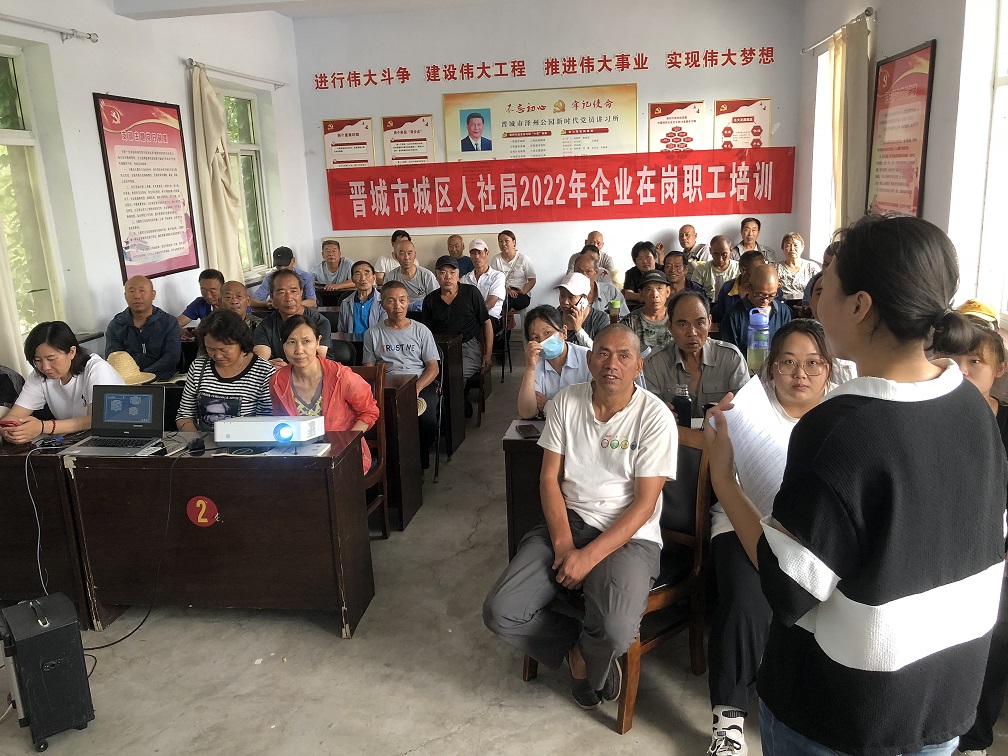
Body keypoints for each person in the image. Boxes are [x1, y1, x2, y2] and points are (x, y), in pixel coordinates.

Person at [703, 214, 1007, 756]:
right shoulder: (971, 406)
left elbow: (786, 587)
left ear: (861, 305)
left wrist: (725, 478)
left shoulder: (841, 430)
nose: (817, 298)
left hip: (844, 711)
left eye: (829, 285)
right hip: (943, 698)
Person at [483, 324, 676, 710]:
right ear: (589, 359)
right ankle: (575, 645)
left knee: (616, 630)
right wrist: (564, 546)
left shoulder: (654, 417)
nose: (612, 363)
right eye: (603, 353)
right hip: (569, 523)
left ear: (639, 366)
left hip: (629, 536)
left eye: (624, 356)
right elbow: (548, 479)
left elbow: (644, 506)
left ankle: (585, 656)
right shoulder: (566, 403)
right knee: (501, 611)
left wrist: (587, 557)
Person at [705, 319, 836, 756]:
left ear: (828, 368)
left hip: (814, 537)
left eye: (813, 363)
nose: (801, 374)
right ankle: (728, 721)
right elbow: (727, 477)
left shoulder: (842, 414)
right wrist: (717, 427)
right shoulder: (746, 414)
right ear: (771, 367)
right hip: (742, 522)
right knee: (747, 599)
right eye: (788, 362)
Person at [931, 307, 1008, 756]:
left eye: (975, 361)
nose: (960, 370)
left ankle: (974, 739)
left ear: (1000, 368)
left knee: (997, 631)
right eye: (952, 357)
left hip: (997, 555)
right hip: (941, 549)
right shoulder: (928, 415)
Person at [270, 314, 378, 473]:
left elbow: (369, 412)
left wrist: (347, 442)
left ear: (318, 342)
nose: (299, 350)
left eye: (306, 341)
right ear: (283, 344)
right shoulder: (277, 381)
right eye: (291, 342)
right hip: (300, 459)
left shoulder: (341, 376)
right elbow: (281, 421)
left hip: (343, 456)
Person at [1, 321, 123, 444]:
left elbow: (98, 420)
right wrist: (11, 430)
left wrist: (43, 427)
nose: (45, 367)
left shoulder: (97, 369)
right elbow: (15, 415)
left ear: (72, 352)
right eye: (37, 360)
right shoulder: (39, 375)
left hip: (111, 440)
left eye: (51, 359)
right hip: (73, 442)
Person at [363, 281, 440, 470]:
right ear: (382, 304)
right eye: (391, 301)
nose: (397, 306)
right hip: (386, 386)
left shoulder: (421, 330)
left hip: (418, 384)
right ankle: (391, 464)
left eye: (402, 300)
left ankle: (419, 460)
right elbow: (369, 370)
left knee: (426, 420)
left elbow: (433, 368)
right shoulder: (373, 333)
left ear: (408, 302)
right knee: (382, 420)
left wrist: (417, 387)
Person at [642, 291, 748, 418]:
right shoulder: (655, 363)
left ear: (709, 322)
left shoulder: (731, 358)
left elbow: (746, 413)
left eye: (700, 323)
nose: (692, 332)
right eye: (682, 324)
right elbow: (646, 415)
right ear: (670, 326)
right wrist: (662, 417)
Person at [176, 310, 274, 432]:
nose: (217, 356)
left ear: (241, 342)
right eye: (210, 349)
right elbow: (184, 415)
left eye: (224, 350)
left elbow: (265, 422)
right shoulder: (199, 367)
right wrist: (197, 439)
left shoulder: (263, 372)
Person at [422, 255, 493, 382]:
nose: (448, 277)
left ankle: (457, 395)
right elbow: (426, 333)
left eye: (452, 272)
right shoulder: (430, 300)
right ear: (436, 275)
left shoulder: (471, 292)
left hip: (468, 346)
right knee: (433, 375)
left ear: (458, 274)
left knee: (456, 376)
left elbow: (486, 323)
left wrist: (488, 354)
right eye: (442, 273)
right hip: (439, 348)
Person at [518, 305, 591, 420]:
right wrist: (530, 369)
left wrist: (549, 406)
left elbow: (593, 406)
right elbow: (527, 412)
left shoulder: (586, 358)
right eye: (535, 337)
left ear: (564, 332)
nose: (542, 341)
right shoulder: (535, 364)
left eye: (547, 333)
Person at [105, 275, 181, 381]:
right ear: (125, 296)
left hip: (162, 378)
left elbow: (172, 356)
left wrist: (145, 375)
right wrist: (134, 376)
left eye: (142, 291)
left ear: (153, 294)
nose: (137, 296)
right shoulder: (116, 325)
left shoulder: (169, 322)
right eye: (132, 291)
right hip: (129, 381)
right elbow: (114, 357)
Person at [253, 269, 331, 366]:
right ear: (272, 297)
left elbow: (318, 360)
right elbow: (260, 360)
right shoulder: (265, 326)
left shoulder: (319, 322)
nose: (289, 298)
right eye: (281, 292)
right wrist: (268, 366)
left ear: (301, 293)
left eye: (294, 291)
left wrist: (286, 370)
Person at [720, 264, 792, 358]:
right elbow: (729, 356)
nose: (765, 301)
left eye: (771, 296)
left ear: (778, 286)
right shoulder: (733, 316)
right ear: (748, 288)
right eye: (759, 296)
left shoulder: (784, 312)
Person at [621, 270, 674, 354]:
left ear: (667, 291)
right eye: (649, 289)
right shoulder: (629, 322)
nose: (655, 295)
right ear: (641, 294)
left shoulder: (676, 318)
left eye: (659, 288)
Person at [492, 229, 536, 327]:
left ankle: (502, 329)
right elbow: (493, 280)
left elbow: (532, 279)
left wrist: (523, 291)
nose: (503, 244)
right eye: (500, 241)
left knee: (506, 302)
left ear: (514, 242)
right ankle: (505, 327)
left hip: (520, 295)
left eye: (506, 241)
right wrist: (506, 290)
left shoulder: (523, 258)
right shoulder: (496, 259)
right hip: (502, 293)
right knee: (503, 301)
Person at [555, 272, 610, 349]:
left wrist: (578, 330)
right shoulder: (554, 317)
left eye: (571, 297)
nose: (565, 302)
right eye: (562, 295)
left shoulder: (600, 319)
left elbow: (600, 351)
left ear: (583, 300)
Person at [251, 246, 317, 309]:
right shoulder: (270, 278)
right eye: (279, 265)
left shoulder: (305, 277)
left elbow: (312, 302)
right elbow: (253, 301)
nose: (282, 268)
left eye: (285, 265)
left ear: (293, 261)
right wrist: (266, 304)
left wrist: (289, 305)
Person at [460, 238, 506, 328]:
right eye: (473, 253)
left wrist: (472, 314)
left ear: (487, 253)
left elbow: (491, 302)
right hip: (469, 318)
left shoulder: (497, 276)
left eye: (480, 253)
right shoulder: (466, 278)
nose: (477, 257)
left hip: (490, 318)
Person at [713, 250, 767, 324]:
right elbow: (720, 319)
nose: (762, 274)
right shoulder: (727, 288)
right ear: (743, 270)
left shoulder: (769, 290)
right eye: (757, 271)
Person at [384, 237, 438, 306]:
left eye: (409, 253)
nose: (406, 257)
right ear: (396, 256)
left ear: (415, 255)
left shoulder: (427, 276)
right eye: (402, 253)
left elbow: (435, 301)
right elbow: (386, 302)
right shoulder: (390, 277)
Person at [574, 250, 628, 317]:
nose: (584, 276)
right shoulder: (568, 294)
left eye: (588, 271)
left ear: (596, 272)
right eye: (579, 271)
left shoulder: (610, 292)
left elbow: (619, 318)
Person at [336, 261, 384, 336]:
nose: (363, 278)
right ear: (352, 279)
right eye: (358, 274)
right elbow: (341, 331)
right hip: (352, 342)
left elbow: (385, 331)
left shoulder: (383, 301)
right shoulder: (345, 302)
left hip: (375, 342)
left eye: (367, 273)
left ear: (374, 278)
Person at [774, 232, 820, 303]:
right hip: (783, 304)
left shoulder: (812, 267)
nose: (792, 249)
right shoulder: (775, 268)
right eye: (788, 245)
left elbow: (819, 288)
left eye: (795, 245)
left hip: (807, 304)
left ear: (802, 248)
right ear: (783, 248)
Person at [692, 236, 739, 303]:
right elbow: (694, 295)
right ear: (710, 251)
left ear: (731, 250)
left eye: (724, 254)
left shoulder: (738, 268)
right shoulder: (701, 269)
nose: (720, 259)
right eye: (716, 254)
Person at [622, 241, 658, 306]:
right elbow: (627, 293)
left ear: (655, 258)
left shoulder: (662, 270)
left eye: (648, 257)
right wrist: (639, 297)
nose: (645, 261)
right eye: (640, 259)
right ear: (635, 262)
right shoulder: (631, 273)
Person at [802, 241, 837, 305]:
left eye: (833, 266)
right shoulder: (815, 281)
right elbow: (806, 304)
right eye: (826, 264)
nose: (828, 269)